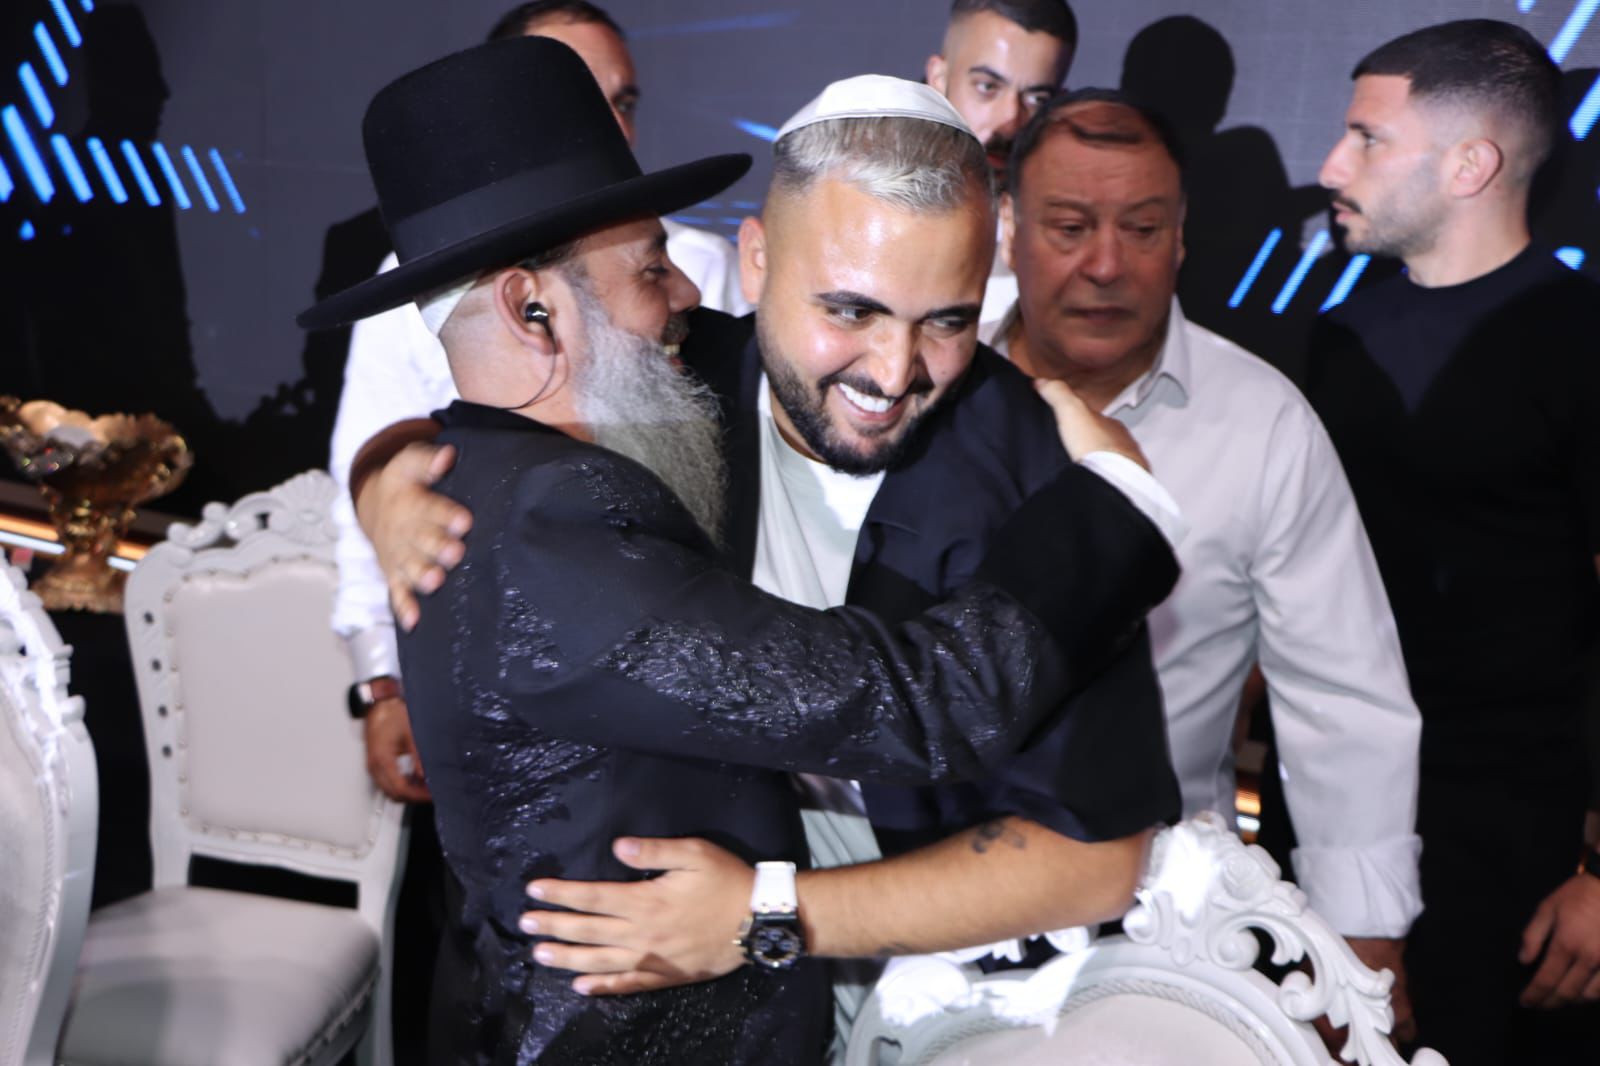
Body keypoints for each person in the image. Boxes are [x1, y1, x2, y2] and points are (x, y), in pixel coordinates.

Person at [303, 41, 1181, 1063]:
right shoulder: (663, 392)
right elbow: (508, 454)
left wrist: (769, 911)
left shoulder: (1037, 483)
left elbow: (1094, 859)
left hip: (952, 1007)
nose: (895, 370)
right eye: (849, 309)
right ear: (757, 262)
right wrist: (387, 472)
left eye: (947, 320)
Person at [982, 88, 1424, 1036]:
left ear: (1181, 238)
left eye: (1142, 229)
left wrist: (1362, 945)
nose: (1107, 264)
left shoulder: (1263, 424)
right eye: (1070, 227)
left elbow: (1342, 697)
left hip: (1169, 940)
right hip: (914, 914)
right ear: (1009, 228)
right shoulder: (927, 386)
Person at [331, 0, 746, 809]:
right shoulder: (417, 291)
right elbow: (372, 455)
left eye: (621, 102)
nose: (605, 127)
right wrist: (380, 681)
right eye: (581, 100)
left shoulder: (696, 267)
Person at [1307, 20, 1600, 1065]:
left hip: (1514, 857)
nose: (1330, 166)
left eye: (1367, 138)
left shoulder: (1580, 342)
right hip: (1326, 829)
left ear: (1471, 164)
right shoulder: (1339, 337)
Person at [924, 0, 1077, 327]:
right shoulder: (856, 201)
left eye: (1037, 99)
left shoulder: (1074, 253)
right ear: (939, 78)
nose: (1010, 120)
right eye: (987, 87)